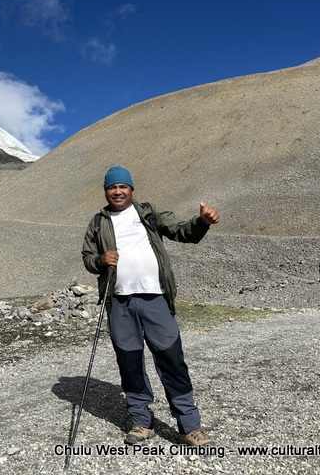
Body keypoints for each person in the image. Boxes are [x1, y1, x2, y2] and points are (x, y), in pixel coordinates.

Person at [81, 166, 219, 447]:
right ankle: (141, 422)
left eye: (123, 186)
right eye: (111, 187)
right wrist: (100, 260)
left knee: (171, 360)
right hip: (119, 302)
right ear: (105, 191)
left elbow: (183, 232)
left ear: (131, 189)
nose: (117, 191)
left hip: (155, 298)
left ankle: (189, 426)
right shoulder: (98, 222)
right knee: (129, 363)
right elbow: (87, 257)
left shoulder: (148, 213)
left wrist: (202, 221)